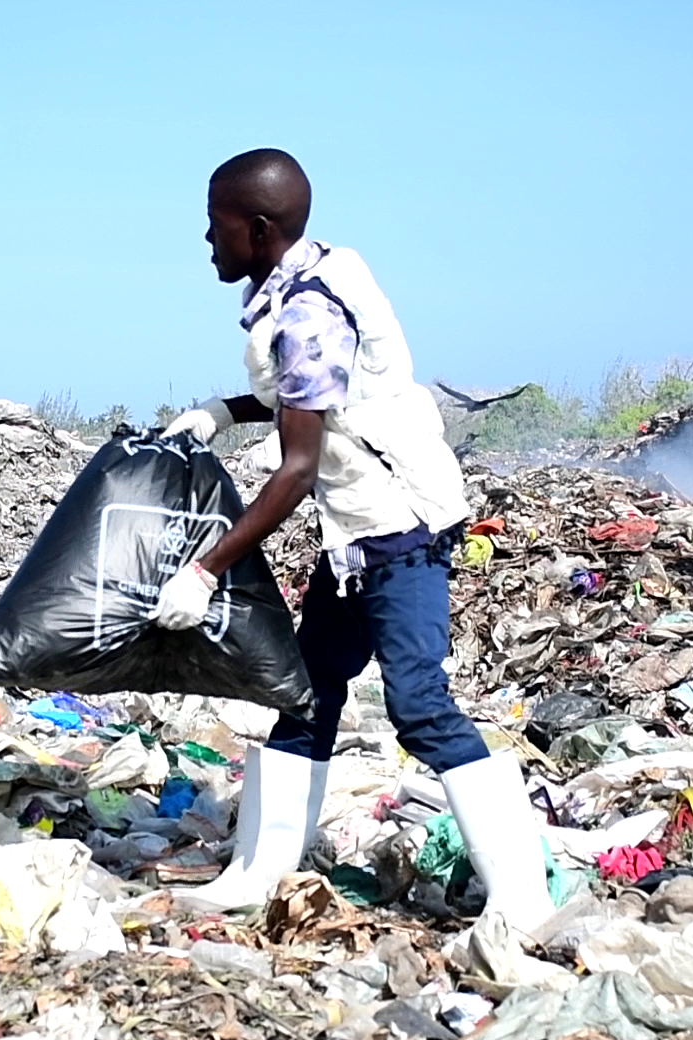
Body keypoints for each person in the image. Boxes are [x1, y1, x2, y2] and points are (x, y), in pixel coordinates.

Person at [154, 148, 554, 931]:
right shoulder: (303, 281)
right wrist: (225, 412)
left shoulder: (307, 312)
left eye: (216, 226)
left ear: (260, 229)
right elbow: (312, 400)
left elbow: (297, 468)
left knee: (419, 706)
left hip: (399, 529)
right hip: (354, 535)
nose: (207, 241)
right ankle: (259, 871)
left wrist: (204, 573)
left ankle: (523, 895)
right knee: (307, 692)